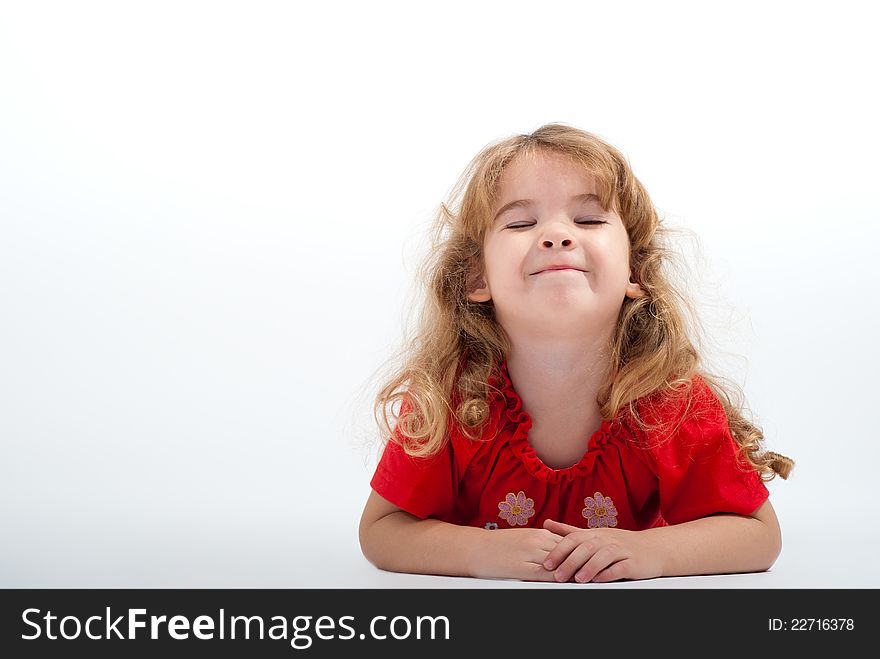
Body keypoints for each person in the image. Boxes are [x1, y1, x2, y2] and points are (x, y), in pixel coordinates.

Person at [358, 123, 794, 583]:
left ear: (635, 271)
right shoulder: (446, 401)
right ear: (476, 278)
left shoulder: (674, 405)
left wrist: (649, 553)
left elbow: (758, 535)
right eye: (522, 222)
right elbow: (382, 530)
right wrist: (480, 553)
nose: (556, 235)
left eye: (588, 219)